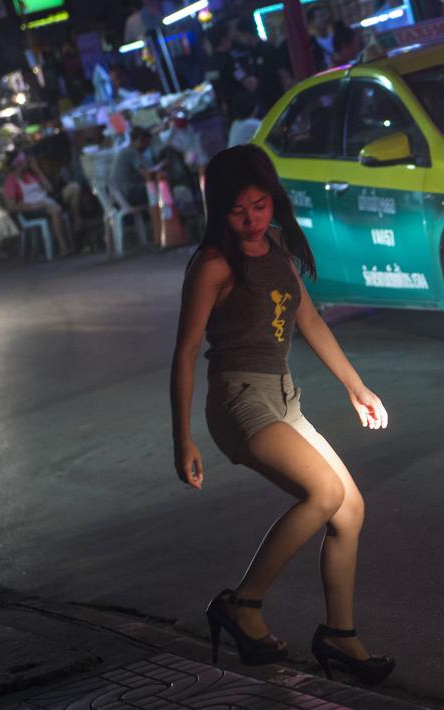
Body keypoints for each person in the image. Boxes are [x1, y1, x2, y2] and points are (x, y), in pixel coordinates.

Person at [169, 144, 395, 684]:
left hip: (283, 398)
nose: (251, 218)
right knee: (324, 493)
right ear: (218, 211)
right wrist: (183, 439)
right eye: (237, 210)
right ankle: (243, 604)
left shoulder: (278, 254)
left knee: (350, 511)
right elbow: (183, 353)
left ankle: (339, 637)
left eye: (260, 205)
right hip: (238, 400)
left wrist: (355, 387)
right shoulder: (213, 264)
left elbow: (311, 322)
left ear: (274, 202)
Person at [2, 149, 73, 257]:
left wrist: (38, 170)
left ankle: (66, 244)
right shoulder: (10, 181)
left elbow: (49, 189)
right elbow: (11, 207)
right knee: (56, 209)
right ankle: (63, 246)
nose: (28, 161)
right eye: (25, 160)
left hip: (45, 203)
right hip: (29, 210)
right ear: (18, 163)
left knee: (57, 207)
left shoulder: (31, 175)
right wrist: (34, 206)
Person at [109, 126, 160, 208]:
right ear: (139, 140)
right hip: (130, 195)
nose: (146, 148)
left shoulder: (124, 151)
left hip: (121, 197)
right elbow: (146, 175)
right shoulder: (132, 152)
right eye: (146, 144)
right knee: (162, 188)